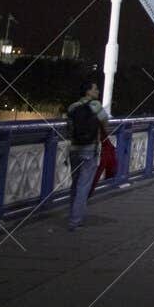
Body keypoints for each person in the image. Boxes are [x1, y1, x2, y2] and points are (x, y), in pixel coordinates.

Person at [65, 80, 112, 231]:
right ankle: (75, 221)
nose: (97, 92)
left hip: (73, 150)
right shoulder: (95, 106)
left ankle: (73, 215)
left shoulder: (73, 107)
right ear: (88, 92)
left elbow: (68, 128)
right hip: (89, 150)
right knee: (83, 186)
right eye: (95, 89)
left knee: (75, 183)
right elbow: (105, 122)